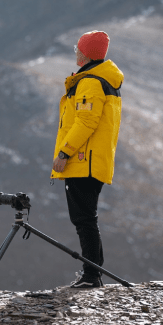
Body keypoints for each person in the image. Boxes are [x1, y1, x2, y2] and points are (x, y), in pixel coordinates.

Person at [51, 30, 124, 288]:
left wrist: (64, 153)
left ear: (85, 53)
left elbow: (86, 121)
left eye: (78, 48)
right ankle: (92, 274)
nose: (75, 51)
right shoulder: (103, 80)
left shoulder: (90, 82)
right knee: (86, 219)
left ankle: (92, 275)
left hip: (83, 162)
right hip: (92, 161)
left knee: (84, 220)